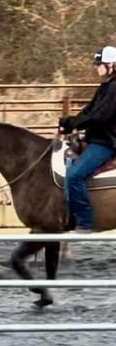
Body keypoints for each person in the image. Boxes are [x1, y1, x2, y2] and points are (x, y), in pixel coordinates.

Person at [58, 45, 116, 233]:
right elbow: (90, 110)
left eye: (99, 64)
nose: (96, 67)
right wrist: (71, 122)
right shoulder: (107, 86)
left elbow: (100, 116)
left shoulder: (114, 87)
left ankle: (85, 221)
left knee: (75, 176)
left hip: (107, 142)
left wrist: (74, 124)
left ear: (111, 65)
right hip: (99, 138)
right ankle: (68, 213)